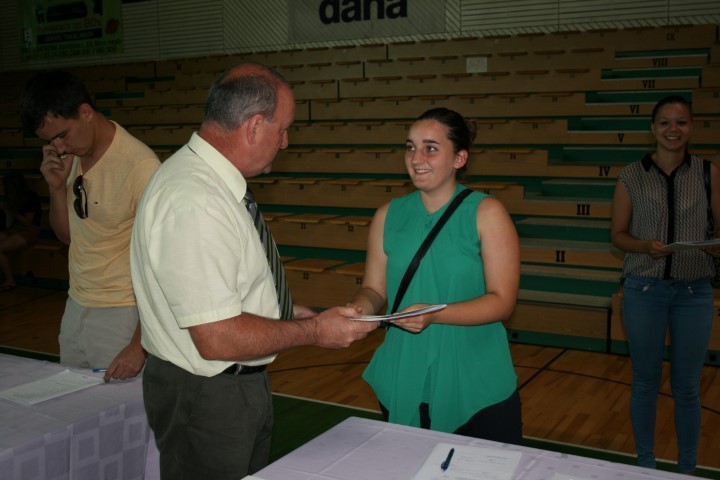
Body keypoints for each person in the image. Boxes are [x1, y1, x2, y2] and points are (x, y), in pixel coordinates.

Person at [129, 63, 378, 480]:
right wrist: (315, 332)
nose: (285, 142)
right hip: (209, 394)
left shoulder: (206, 181)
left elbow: (221, 292)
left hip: (222, 386)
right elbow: (217, 336)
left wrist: (282, 313)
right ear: (255, 126)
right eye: (283, 130)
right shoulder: (195, 199)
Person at [349, 107, 523, 443]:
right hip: (405, 373)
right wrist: (359, 310)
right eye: (410, 147)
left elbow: (503, 302)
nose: (416, 158)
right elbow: (374, 289)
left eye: (430, 148)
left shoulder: (487, 212)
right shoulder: (387, 215)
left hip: (476, 379)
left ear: (459, 158)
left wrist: (434, 314)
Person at [19, 70, 160, 381]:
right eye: (50, 140)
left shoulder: (140, 167)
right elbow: (66, 236)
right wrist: (57, 188)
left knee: (123, 410)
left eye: (62, 135)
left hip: (123, 313)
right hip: (76, 305)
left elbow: (162, 266)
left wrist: (140, 344)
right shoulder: (71, 158)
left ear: (85, 112)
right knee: (73, 404)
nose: (58, 147)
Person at [610, 95, 718, 474]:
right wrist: (644, 246)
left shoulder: (708, 173)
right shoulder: (631, 175)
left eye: (682, 122)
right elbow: (618, 235)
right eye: (665, 122)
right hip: (644, 291)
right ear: (653, 128)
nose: (674, 129)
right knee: (645, 381)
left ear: (691, 127)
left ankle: (687, 469)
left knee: (688, 386)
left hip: (694, 293)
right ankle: (646, 465)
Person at [0, 171, 42, 290]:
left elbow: (27, 222)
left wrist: (11, 210)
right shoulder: (12, 198)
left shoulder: (31, 197)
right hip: (15, 229)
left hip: (29, 230)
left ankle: (10, 280)